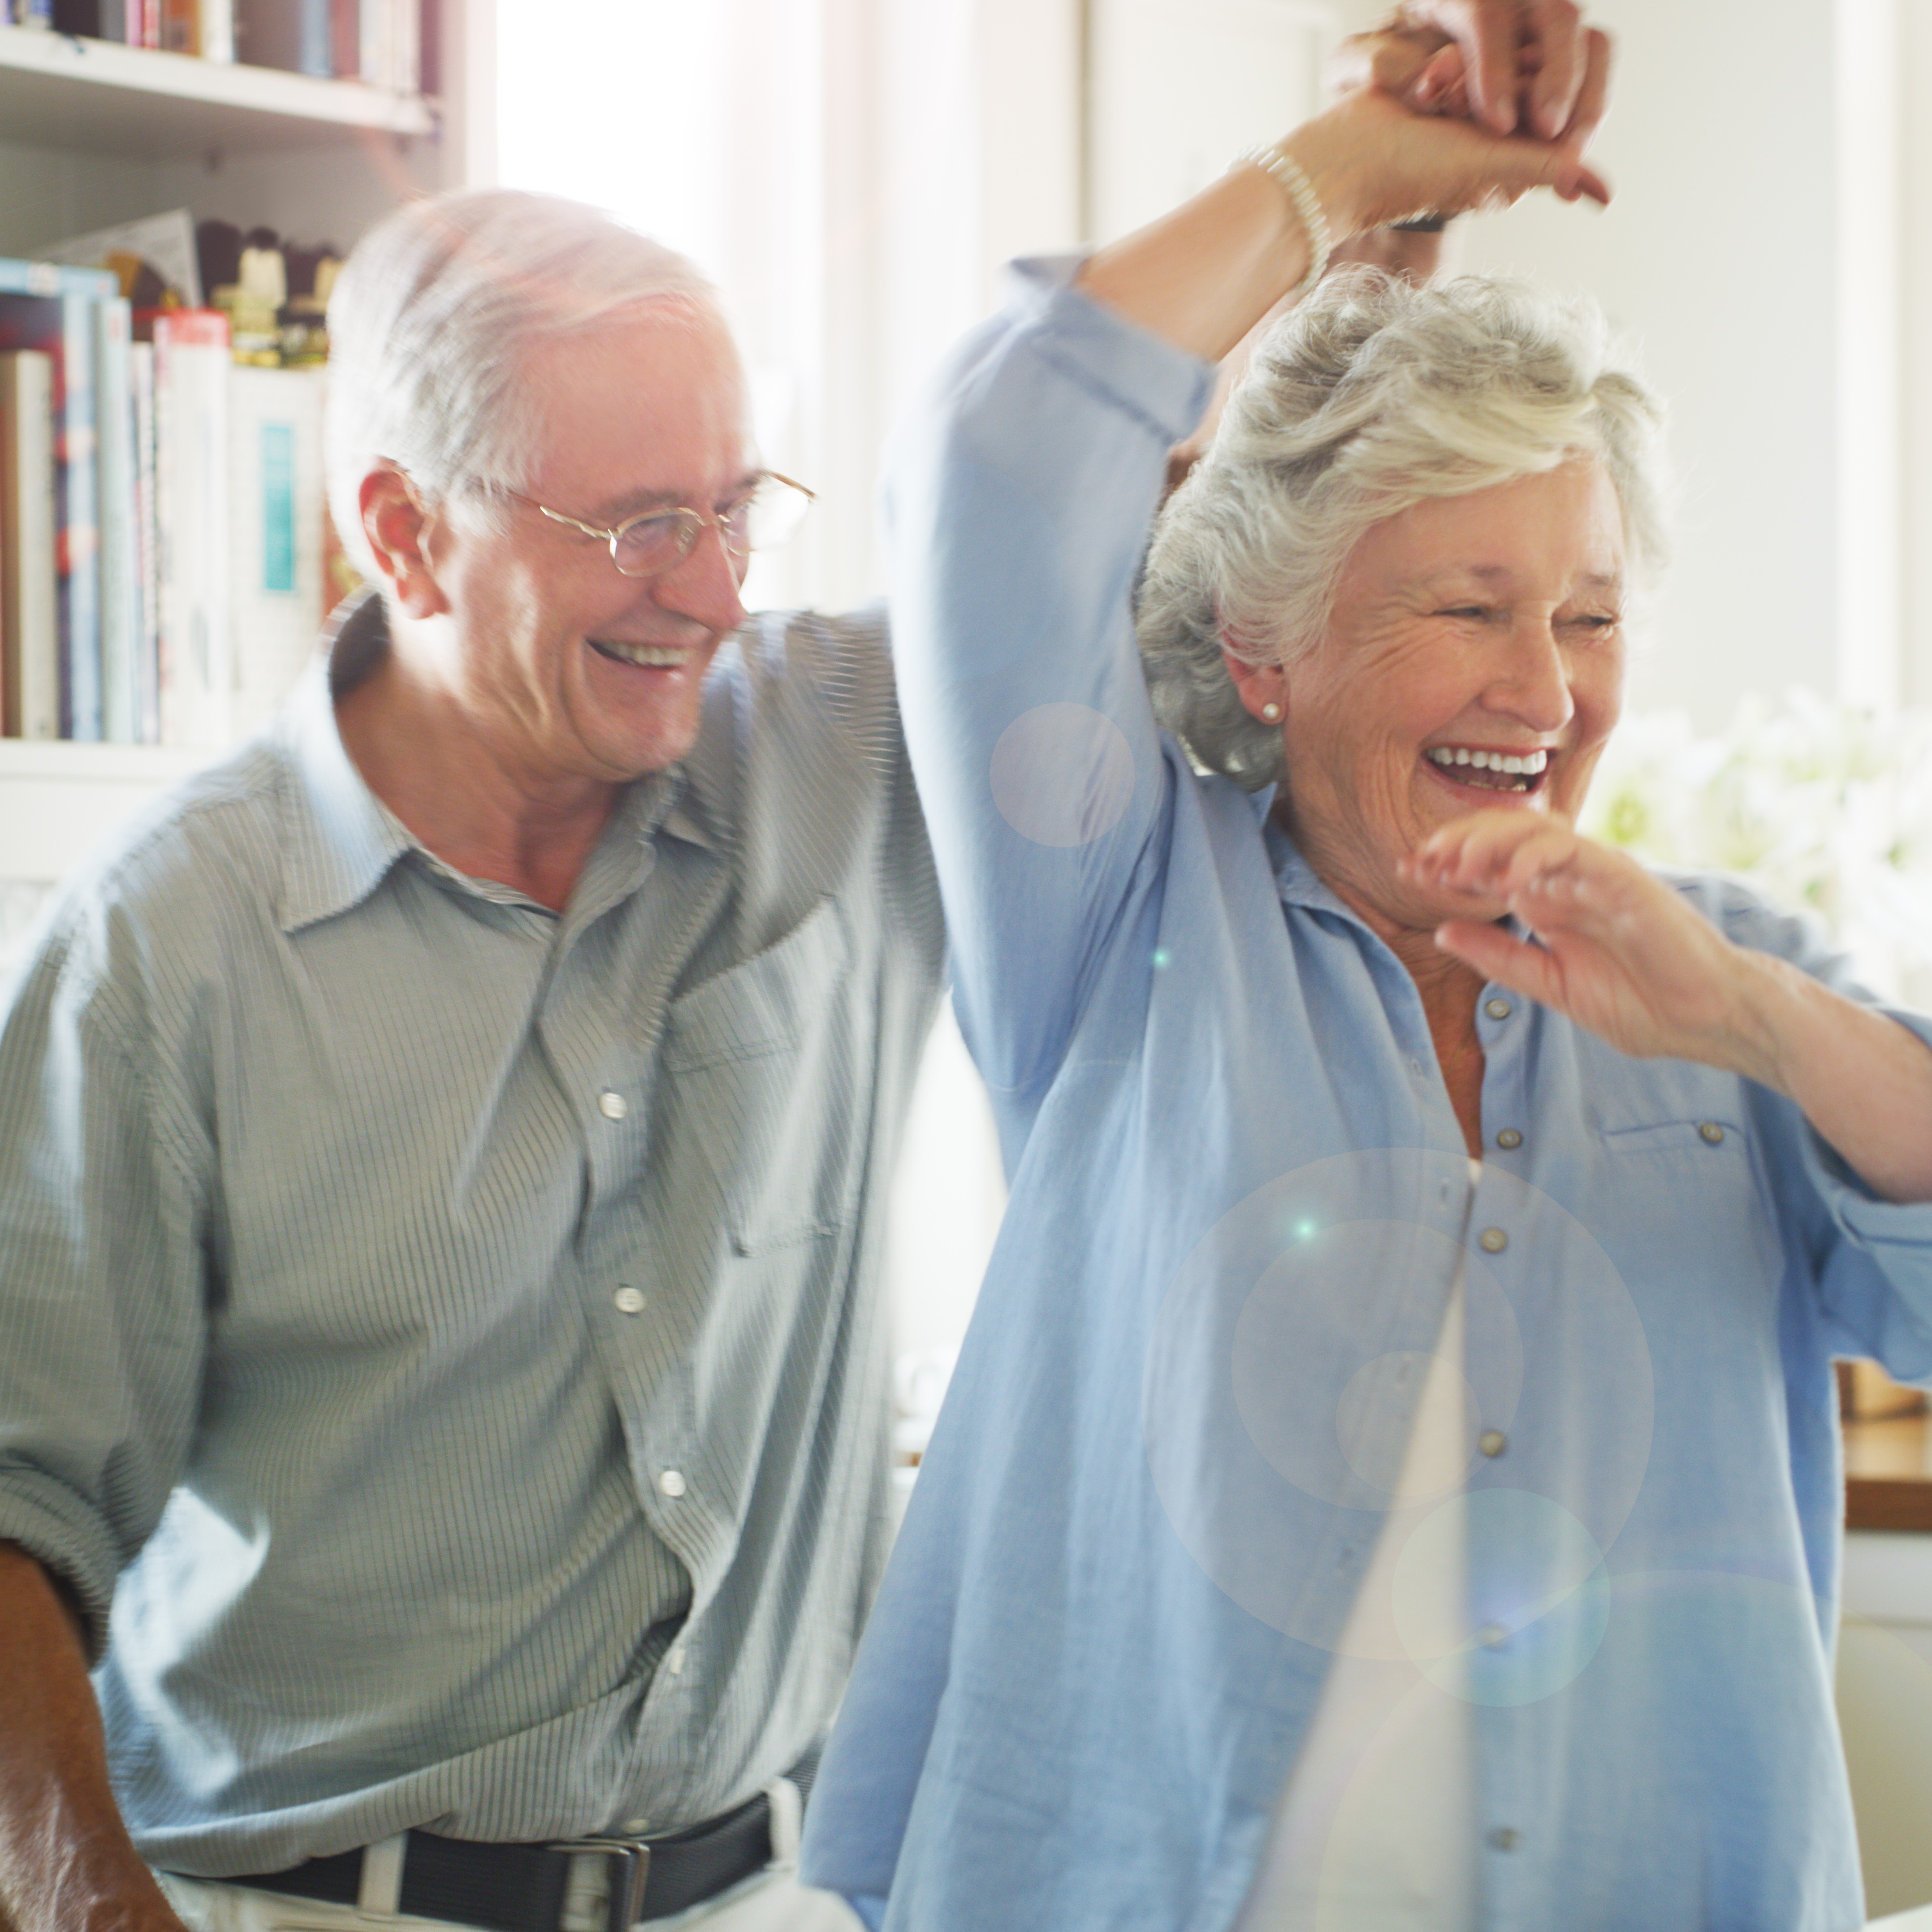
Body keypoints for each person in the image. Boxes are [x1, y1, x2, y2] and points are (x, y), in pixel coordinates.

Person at [797, 49, 1932, 1932]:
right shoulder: (1121, 920)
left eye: (1586, 612)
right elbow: (1005, 462)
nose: (1546, 692)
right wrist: (1346, 169)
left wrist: (1743, 1015)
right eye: (1464, 609)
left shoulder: (1720, 968)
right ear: (1266, 653)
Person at [0, 193, 944, 1932]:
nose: (720, 592)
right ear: (405, 535)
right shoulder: (165, 949)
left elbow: (1095, 502)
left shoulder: (840, 753)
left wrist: (1355, 196)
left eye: (736, 510)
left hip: (772, 1890)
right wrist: (81, 1906)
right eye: (650, 523)